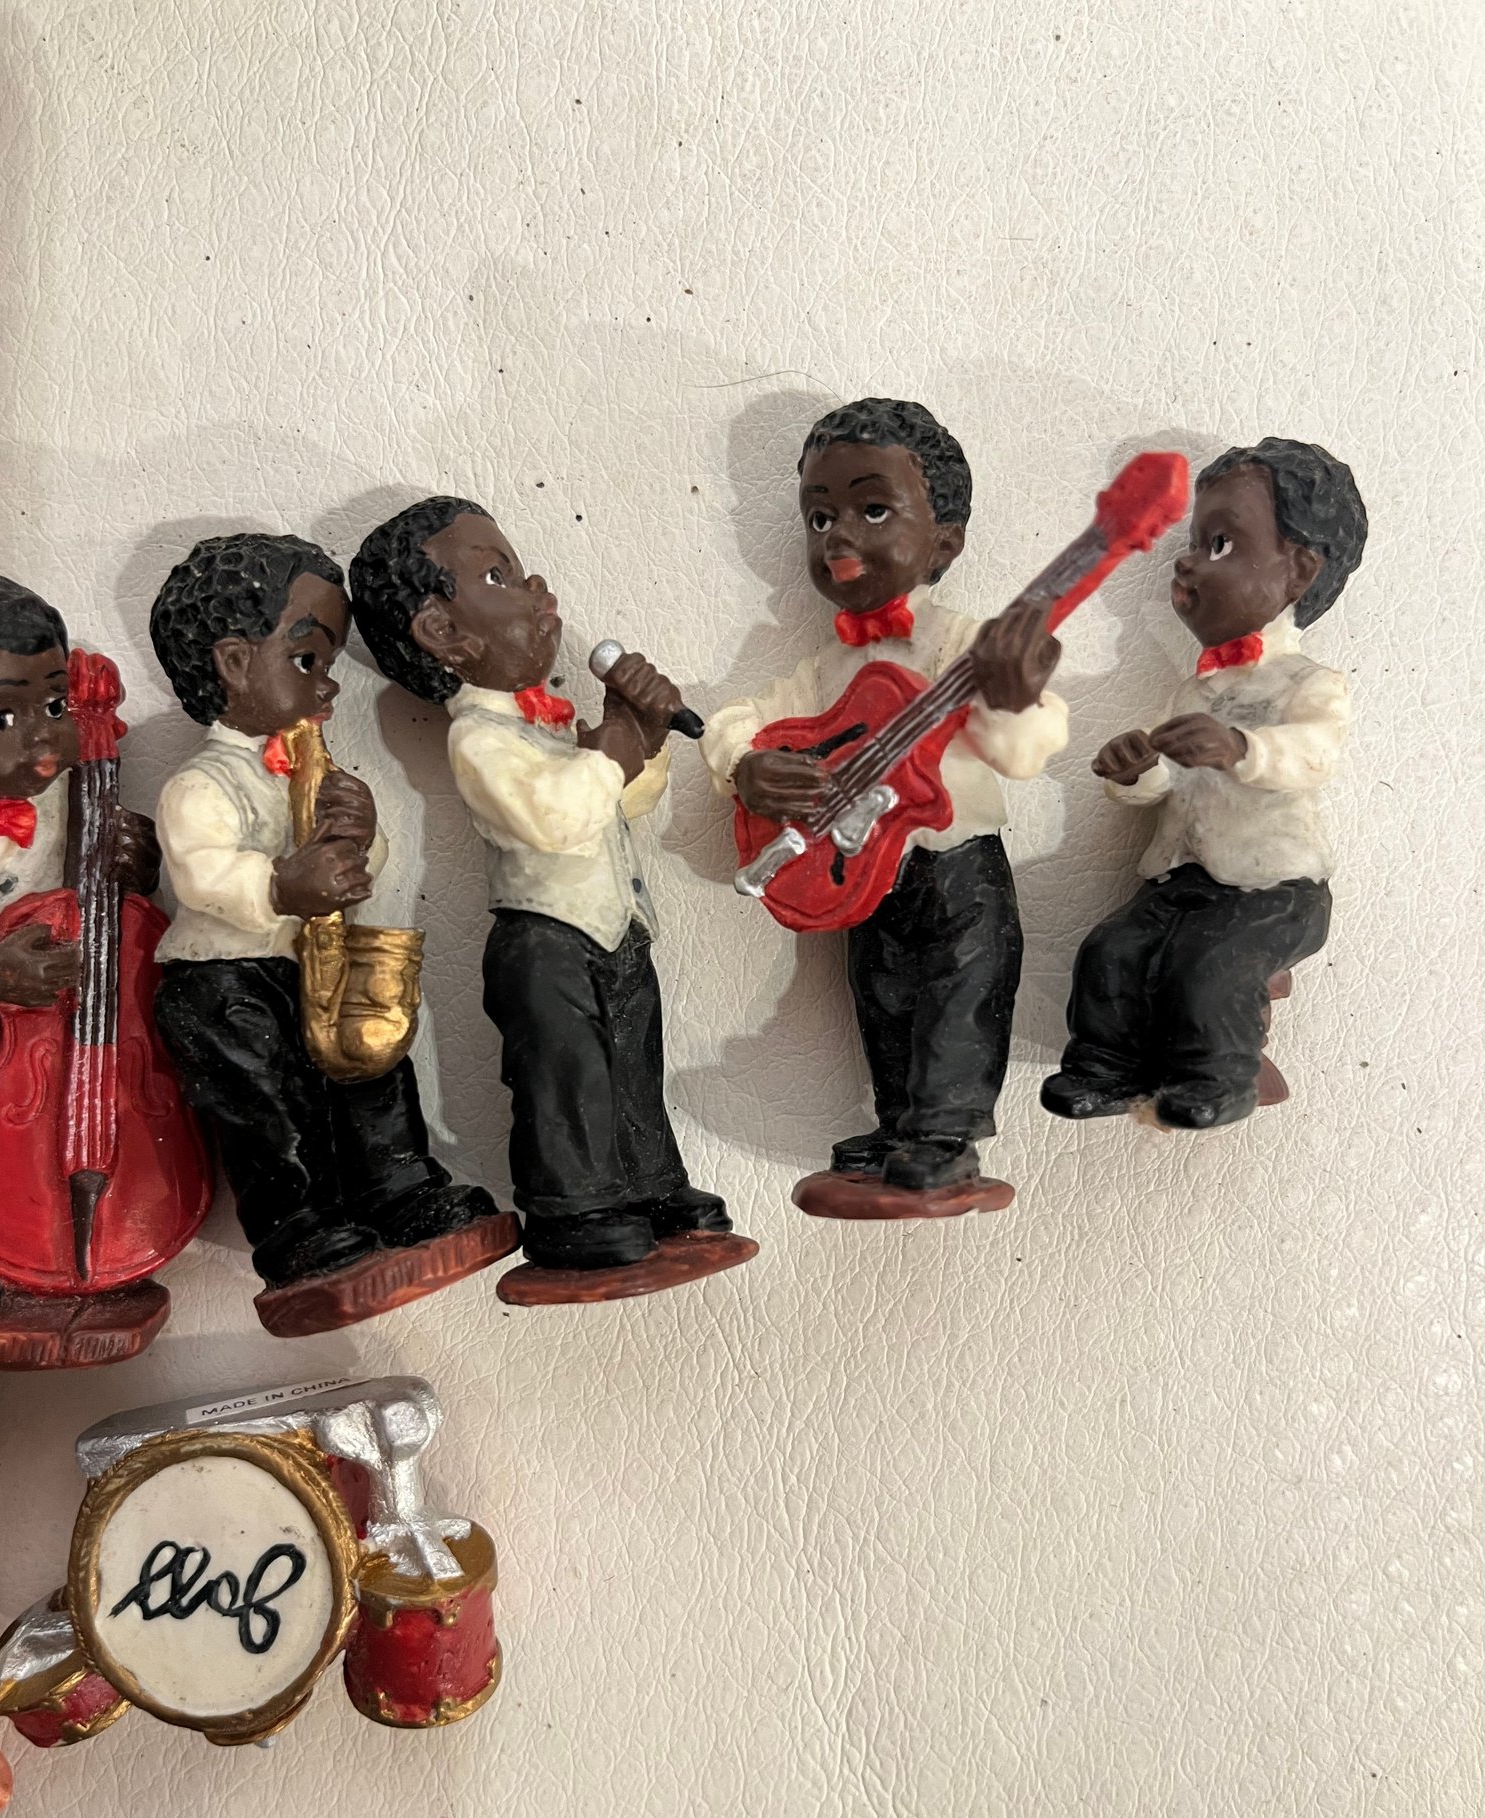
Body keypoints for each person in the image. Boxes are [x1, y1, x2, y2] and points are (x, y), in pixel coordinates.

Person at [349, 497, 737, 1272]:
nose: (535, 589)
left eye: (521, 569)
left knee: (632, 1060)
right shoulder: (480, 737)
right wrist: (612, 746)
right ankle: (574, 1206)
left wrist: (638, 735)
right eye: (498, 576)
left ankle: (650, 1182)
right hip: (547, 943)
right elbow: (552, 818)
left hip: (614, 927)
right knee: (566, 1077)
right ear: (442, 632)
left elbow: (617, 801)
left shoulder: (547, 724)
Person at [701, 396, 1067, 1192]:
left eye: (872, 510)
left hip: (956, 863)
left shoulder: (962, 644)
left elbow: (1027, 746)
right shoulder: (826, 667)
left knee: (964, 989)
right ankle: (900, 1118)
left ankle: (945, 1133)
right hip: (862, 867)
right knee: (880, 991)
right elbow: (739, 719)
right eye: (820, 517)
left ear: (946, 542)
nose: (839, 537)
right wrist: (747, 765)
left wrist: (1013, 695)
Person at [148, 532, 498, 1294]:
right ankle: (297, 1228)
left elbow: (352, 871)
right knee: (269, 1104)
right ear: (235, 663)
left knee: (369, 1067)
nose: (328, 687)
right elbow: (202, 875)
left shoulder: (306, 767)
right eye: (308, 660)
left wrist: (361, 836)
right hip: (225, 982)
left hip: (310, 961)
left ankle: (398, 1189)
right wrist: (279, 885)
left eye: (330, 665)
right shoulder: (199, 784)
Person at [1041, 436, 1368, 1130]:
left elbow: (1316, 755)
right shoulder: (1194, 689)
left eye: (1219, 545)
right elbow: (1166, 783)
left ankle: (1217, 1078)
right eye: (1193, 543)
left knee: (1212, 964)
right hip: (1178, 880)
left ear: (1299, 570)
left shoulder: (1312, 684)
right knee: (1111, 948)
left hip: (1275, 890)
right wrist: (1137, 772)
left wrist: (1242, 747)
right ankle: (1104, 1065)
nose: (1187, 561)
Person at [0, 574, 159, 1329]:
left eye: (56, 707)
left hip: (72, 1037)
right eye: (2, 716)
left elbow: (111, 911)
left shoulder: (73, 790)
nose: (41, 737)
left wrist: (133, 861)